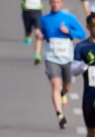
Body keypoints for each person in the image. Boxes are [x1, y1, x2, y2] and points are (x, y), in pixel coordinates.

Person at [38, 0, 86, 129]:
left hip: (67, 58)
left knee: (67, 87)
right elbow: (42, 34)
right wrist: (40, 35)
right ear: (50, 3)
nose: (55, 5)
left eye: (58, 2)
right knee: (55, 85)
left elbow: (82, 34)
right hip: (51, 58)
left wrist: (69, 32)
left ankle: (63, 94)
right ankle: (60, 115)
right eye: (53, 2)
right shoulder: (44, 19)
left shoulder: (70, 18)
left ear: (62, 3)